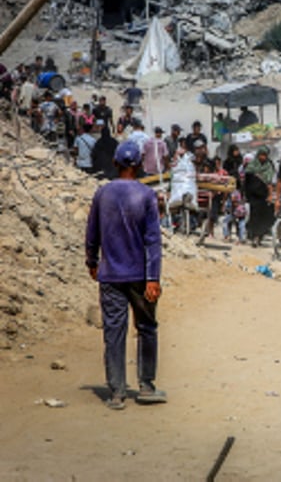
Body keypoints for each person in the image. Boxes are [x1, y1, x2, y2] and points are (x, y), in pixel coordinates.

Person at [84, 140, 166, 410]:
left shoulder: (102, 193)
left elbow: (92, 232)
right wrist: (153, 277)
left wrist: (92, 260)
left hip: (110, 275)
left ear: (116, 164)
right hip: (140, 276)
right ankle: (146, 386)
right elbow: (153, 240)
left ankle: (117, 392)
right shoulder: (146, 195)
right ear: (139, 165)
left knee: (114, 332)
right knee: (146, 328)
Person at [244, 146, 277, 247]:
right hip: (253, 196)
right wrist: (246, 194)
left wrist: (270, 195)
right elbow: (247, 181)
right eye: (261, 155)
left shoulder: (269, 166)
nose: (263, 157)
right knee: (255, 216)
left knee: (266, 216)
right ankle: (254, 236)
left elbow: (270, 182)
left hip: (264, 196)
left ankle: (260, 235)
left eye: (265, 155)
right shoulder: (252, 165)